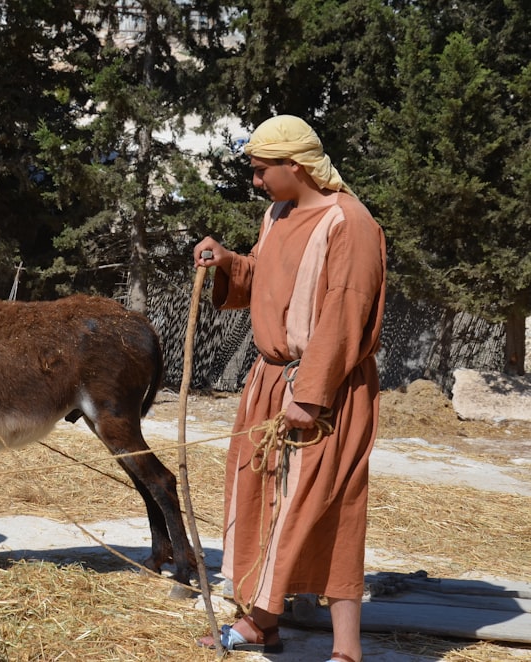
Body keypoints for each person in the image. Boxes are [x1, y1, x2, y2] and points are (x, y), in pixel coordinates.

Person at [195, 115, 386, 662]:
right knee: (264, 502)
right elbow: (270, 279)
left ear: (293, 166)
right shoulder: (277, 213)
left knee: (331, 507)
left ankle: (346, 649)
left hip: (325, 392)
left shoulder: (350, 222)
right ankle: (261, 624)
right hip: (271, 383)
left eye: (260, 171)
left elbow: (345, 311)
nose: (255, 181)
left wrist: (311, 394)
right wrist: (229, 262)